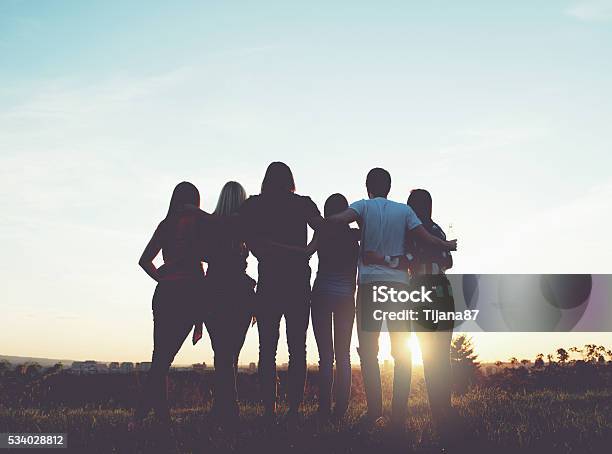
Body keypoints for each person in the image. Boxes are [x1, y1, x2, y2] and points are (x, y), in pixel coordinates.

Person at [327, 168, 456, 429]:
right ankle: (399, 413)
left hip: (369, 286)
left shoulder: (363, 206)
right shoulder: (405, 213)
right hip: (399, 288)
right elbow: (427, 241)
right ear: (389, 186)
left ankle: (375, 410)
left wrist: (325, 221)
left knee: (369, 352)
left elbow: (341, 220)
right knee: (403, 352)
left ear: (367, 188)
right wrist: (444, 246)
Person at [239, 162, 325, 423]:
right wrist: (308, 250)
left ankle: (269, 408)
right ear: (290, 180)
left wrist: (265, 249)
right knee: (297, 348)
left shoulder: (254, 205)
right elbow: (323, 228)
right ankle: (294, 408)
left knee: (267, 350)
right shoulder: (303, 204)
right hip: (298, 282)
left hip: (269, 282)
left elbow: (246, 237)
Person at [133, 181, 207, 428]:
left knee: (161, 358)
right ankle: (144, 414)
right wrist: (200, 319)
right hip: (188, 295)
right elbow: (199, 272)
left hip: (165, 294)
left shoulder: (165, 226)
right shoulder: (199, 225)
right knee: (164, 360)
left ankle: (157, 416)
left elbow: (145, 261)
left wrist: (163, 277)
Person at [198, 181, 255, 427]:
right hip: (241, 294)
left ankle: (225, 408)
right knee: (232, 353)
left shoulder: (209, 225)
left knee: (221, 353)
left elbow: (201, 254)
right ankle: (228, 409)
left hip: (214, 292)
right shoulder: (246, 225)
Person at [407, 189, 455, 439]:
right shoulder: (438, 231)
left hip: (420, 291)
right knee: (441, 351)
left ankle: (437, 405)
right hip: (442, 290)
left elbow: (408, 261)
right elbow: (448, 261)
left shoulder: (408, 234)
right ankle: (444, 404)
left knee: (427, 352)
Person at [309, 194, 360, 421]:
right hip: (346, 299)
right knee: (343, 355)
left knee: (325, 356)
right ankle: (341, 409)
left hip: (321, 295)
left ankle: (323, 409)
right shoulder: (355, 235)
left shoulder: (323, 231)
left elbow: (307, 252)